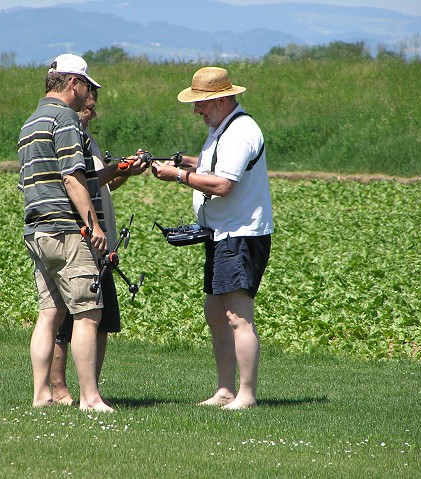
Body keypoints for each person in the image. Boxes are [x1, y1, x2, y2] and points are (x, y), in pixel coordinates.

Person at [18, 53, 142, 412]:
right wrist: (95, 224)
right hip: (69, 231)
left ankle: (41, 394)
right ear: (73, 83)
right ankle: (90, 398)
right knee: (88, 315)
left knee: (49, 315)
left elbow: (53, 178)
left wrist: (119, 170)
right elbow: (73, 178)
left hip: (38, 231)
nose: (88, 94)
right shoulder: (66, 119)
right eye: (87, 85)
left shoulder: (30, 122)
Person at [151, 66, 273, 409]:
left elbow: (222, 184)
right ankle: (225, 390)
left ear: (218, 100)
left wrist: (177, 176)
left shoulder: (240, 132)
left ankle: (246, 394)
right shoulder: (223, 128)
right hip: (220, 234)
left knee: (238, 316)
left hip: (240, 235)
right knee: (216, 312)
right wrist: (181, 162)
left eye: (199, 104)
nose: (196, 111)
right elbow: (213, 165)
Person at [50, 89, 147, 405]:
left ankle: (89, 388)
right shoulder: (68, 136)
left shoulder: (88, 139)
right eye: (87, 107)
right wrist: (119, 167)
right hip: (80, 235)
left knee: (101, 318)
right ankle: (60, 389)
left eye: (93, 108)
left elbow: (101, 179)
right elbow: (85, 181)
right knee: (69, 320)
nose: (91, 112)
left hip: (100, 239)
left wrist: (125, 170)